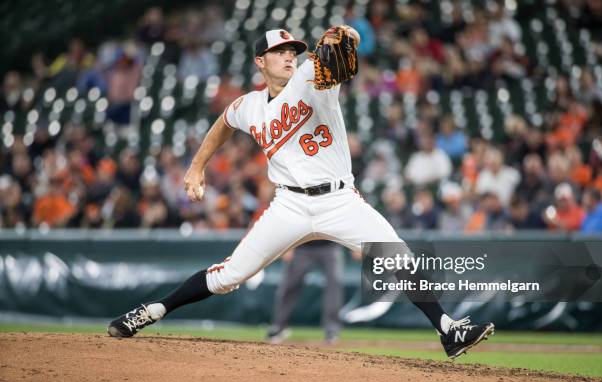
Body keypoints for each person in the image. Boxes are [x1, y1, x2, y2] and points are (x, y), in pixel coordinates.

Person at [107, 27, 494, 359]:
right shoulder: (250, 106)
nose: (289, 56)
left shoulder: (312, 75)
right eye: (279, 52)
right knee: (229, 275)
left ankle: (448, 330)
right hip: (289, 203)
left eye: (292, 50)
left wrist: (346, 34)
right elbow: (224, 122)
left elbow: (349, 41)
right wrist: (197, 165)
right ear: (261, 61)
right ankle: (152, 311)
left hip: (339, 200)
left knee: (397, 256)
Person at [267, 241, 344, 344]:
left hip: (330, 245)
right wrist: (288, 247)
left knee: (334, 284)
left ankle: (332, 330)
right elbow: (292, 224)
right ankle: (278, 327)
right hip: (302, 246)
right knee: (290, 285)